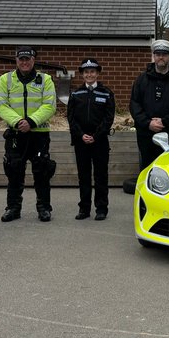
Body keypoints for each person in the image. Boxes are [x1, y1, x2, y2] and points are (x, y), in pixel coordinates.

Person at [0, 46, 58, 223]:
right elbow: (0, 105)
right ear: (16, 60)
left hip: (39, 134)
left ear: (33, 60)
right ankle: (13, 208)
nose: (24, 62)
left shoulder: (45, 80)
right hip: (16, 134)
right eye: (21, 59)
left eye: (27, 59)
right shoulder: (5, 79)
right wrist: (17, 122)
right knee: (14, 171)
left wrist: (31, 122)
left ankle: (44, 208)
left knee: (42, 172)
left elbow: (50, 105)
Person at [130, 39, 169, 174]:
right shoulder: (141, 79)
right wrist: (148, 123)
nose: (161, 57)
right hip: (146, 134)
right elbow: (134, 104)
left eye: (164, 54)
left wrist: (164, 121)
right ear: (154, 56)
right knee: (147, 169)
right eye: (158, 54)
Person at [67, 58, 115, 221]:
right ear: (82, 74)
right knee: (84, 176)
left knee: (101, 176)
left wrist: (96, 135)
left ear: (98, 73)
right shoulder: (75, 94)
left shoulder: (106, 93)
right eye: (86, 72)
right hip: (81, 142)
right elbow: (71, 119)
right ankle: (84, 209)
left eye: (92, 71)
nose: (89, 74)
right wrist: (81, 135)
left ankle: (101, 208)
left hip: (99, 141)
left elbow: (108, 119)